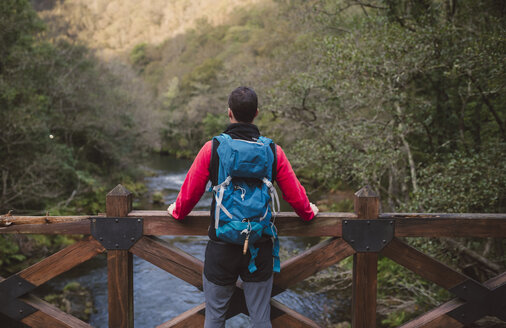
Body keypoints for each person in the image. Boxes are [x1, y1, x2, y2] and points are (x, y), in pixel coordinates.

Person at [167, 86, 318, 328]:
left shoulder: (212, 148)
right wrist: (309, 212)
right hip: (259, 246)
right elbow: (294, 195)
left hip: (222, 247)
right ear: (256, 113)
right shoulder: (272, 151)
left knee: (215, 318)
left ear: (229, 113)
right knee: (260, 318)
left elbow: (189, 194)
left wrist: (177, 211)